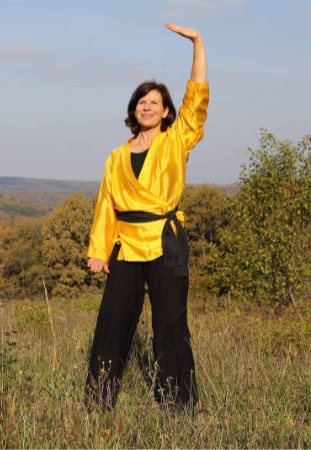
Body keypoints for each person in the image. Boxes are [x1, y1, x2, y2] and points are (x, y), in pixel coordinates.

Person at [84, 23, 208, 411]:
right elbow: (107, 203)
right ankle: (99, 402)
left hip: (167, 242)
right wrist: (99, 250)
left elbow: (197, 98)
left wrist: (197, 45)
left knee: (170, 325)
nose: (147, 106)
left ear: (167, 111)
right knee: (112, 324)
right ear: (133, 110)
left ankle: (178, 405)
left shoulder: (176, 141)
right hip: (126, 244)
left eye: (155, 102)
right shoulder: (116, 156)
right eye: (142, 101)